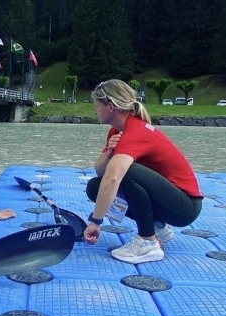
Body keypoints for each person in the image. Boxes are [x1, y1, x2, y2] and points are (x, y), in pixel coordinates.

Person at [84, 79, 203, 265]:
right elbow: (100, 172)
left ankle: (148, 241)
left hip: (185, 207)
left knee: (127, 172)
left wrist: (95, 222)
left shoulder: (135, 132)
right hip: (169, 200)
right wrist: (110, 153)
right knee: (94, 187)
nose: (94, 110)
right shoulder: (118, 131)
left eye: (96, 105)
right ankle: (157, 226)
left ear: (110, 106)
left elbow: (113, 178)